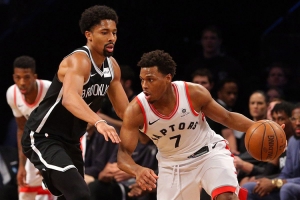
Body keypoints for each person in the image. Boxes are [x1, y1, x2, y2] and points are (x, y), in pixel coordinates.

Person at [117, 50, 258, 200]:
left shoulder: (193, 93)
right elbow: (123, 156)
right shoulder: (136, 110)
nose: (144, 85)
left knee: (226, 197)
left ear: (167, 78)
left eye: (150, 80)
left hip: (208, 154)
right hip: (172, 166)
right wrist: (137, 170)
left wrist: (260, 126)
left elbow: (227, 117)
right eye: (142, 80)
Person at [21, 5, 128, 200]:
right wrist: (99, 121)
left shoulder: (112, 67)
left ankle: (52, 178)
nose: (111, 37)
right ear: (89, 35)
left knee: (70, 195)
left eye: (114, 32)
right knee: (80, 194)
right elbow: (70, 99)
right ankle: (49, 174)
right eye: (104, 32)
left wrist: (153, 123)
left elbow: (125, 112)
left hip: (71, 141)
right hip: (43, 136)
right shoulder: (79, 61)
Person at [6, 55, 53, 200]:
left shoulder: (50, 90)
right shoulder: (12, 94)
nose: (22, 82)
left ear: (34, 77)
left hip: (61, 141)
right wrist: (22, 165)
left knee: (51, 188)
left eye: (26, 77)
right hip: (36, 141)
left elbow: (63, 126)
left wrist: (49, 161)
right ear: (14, 77)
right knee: (25, 189)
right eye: (18, 77)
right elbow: (22, 130)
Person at [243, 102, 300, 200]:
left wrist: (276, 183)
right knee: (249, 188)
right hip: (287, 184)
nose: (297, 123)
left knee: (287, 189)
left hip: (290, 187)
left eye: (281, 119)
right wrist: (268, 182)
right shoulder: (293, 142)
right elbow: (285, 174)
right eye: (294, 119)